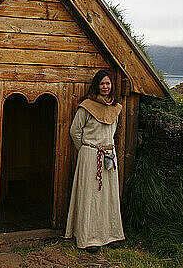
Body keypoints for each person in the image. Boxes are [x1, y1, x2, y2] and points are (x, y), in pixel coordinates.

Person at [64, 70, 124, 253]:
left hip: (109, 155)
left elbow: (113, 133)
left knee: (108, 196)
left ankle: (111, 235)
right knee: (90, 197)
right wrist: (87, 150)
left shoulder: (115, 107)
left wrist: (106, 150)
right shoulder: (87, 107)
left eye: (108, 83)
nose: (105, 87)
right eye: (102, 84)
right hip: (90, 155)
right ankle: (89, 237)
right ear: (96, 86)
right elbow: (75, 131)